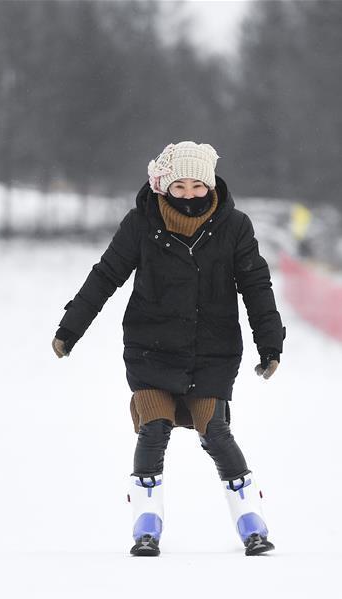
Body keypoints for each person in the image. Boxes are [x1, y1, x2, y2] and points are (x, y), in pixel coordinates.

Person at [52, 141, 286, 556]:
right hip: (151, 347)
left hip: (212, 351)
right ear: (164, 186)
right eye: (180, 186)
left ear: (211, 184)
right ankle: (146, 523)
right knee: (154, 428)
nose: (191, 194)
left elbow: (256, 286)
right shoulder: (141, 223)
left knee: (215, 431)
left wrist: (269, 344)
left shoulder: (235, 227)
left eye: (198, 185)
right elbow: (106, 275)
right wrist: (70, 329)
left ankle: (251, 521)